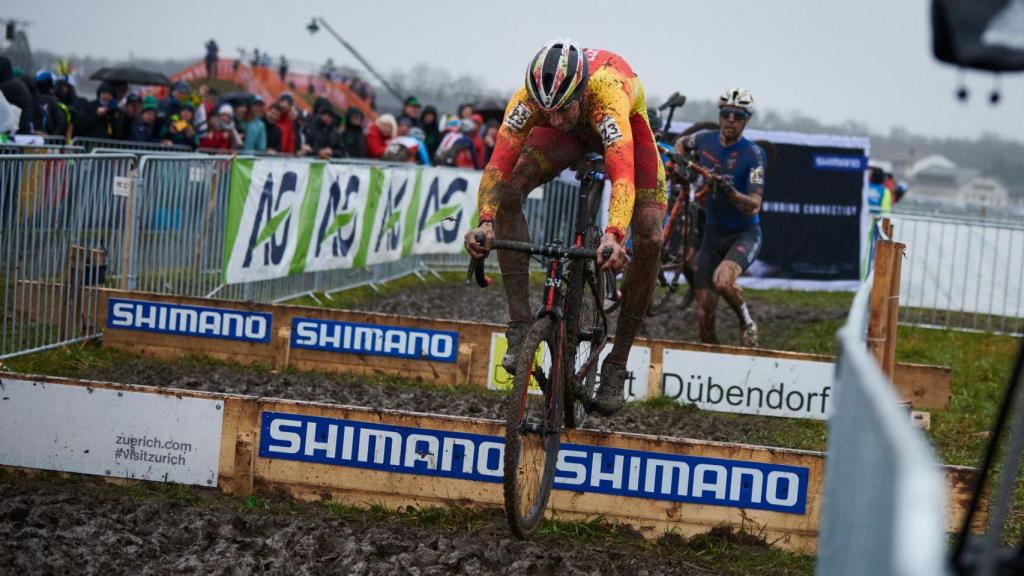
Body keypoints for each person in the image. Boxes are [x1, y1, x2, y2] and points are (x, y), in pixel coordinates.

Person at [464, 40, 667, 416]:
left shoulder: (607, 92)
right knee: (509, 192)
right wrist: (486, 222)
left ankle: (616, 366)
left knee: (651, 233)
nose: (555, 118)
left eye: (563, 109)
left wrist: (613, 235)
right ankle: (520, 327)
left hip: (627, 132)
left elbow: (623, 176)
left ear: (581, 92)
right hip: (570, 137)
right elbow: (496, 167)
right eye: (548, 112)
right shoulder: (528, 101)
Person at [674, 88, 765, 347]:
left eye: (737, 116)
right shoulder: (705, 139)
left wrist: (731, 193)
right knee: (704, 310)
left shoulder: (754, 155)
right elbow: (682, 144)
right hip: (712, 234)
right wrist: (682, 166)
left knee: (724, 282)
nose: (730, 120)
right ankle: (711, 358)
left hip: (743, 233)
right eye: (726, 114)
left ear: (746, 120)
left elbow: (754, 205)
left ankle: (746, 322)